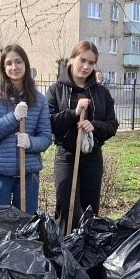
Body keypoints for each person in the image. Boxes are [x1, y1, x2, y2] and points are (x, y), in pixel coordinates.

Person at [46, 41, 119, 232]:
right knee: (65, 207)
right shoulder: (56, 90)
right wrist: (73, 113)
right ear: (72, 59)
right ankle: (64, 247)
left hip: (92, 157)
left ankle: (87, 246)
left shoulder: (101, 93)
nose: (86, 66)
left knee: (90, 209)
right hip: (66, 156)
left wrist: (94, 125)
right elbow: (49, 122)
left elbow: (112, 125)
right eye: (82, 60)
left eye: (91, 63)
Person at [0, 45, 52, 214]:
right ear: (3, 68)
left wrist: (30, 143)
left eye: (18, 62)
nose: (14, 67)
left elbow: (46, 137)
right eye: (9, 63)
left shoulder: (39, 100)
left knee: (25, 225)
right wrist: (13, 118)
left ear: (26, 64)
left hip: (28, 175)